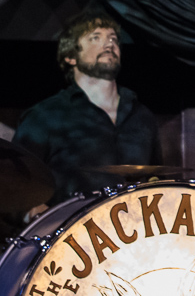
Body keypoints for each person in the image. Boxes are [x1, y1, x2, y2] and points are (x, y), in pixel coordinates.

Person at [13, 13, 161, 217]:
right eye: (96, 38)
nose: (109, 44)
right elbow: (12, 184)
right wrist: (34, 212)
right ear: (71, 56)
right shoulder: (45, 116)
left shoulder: (142, 116)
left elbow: (156, 179)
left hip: (133, 237)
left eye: (113, 38)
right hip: (71, 237)